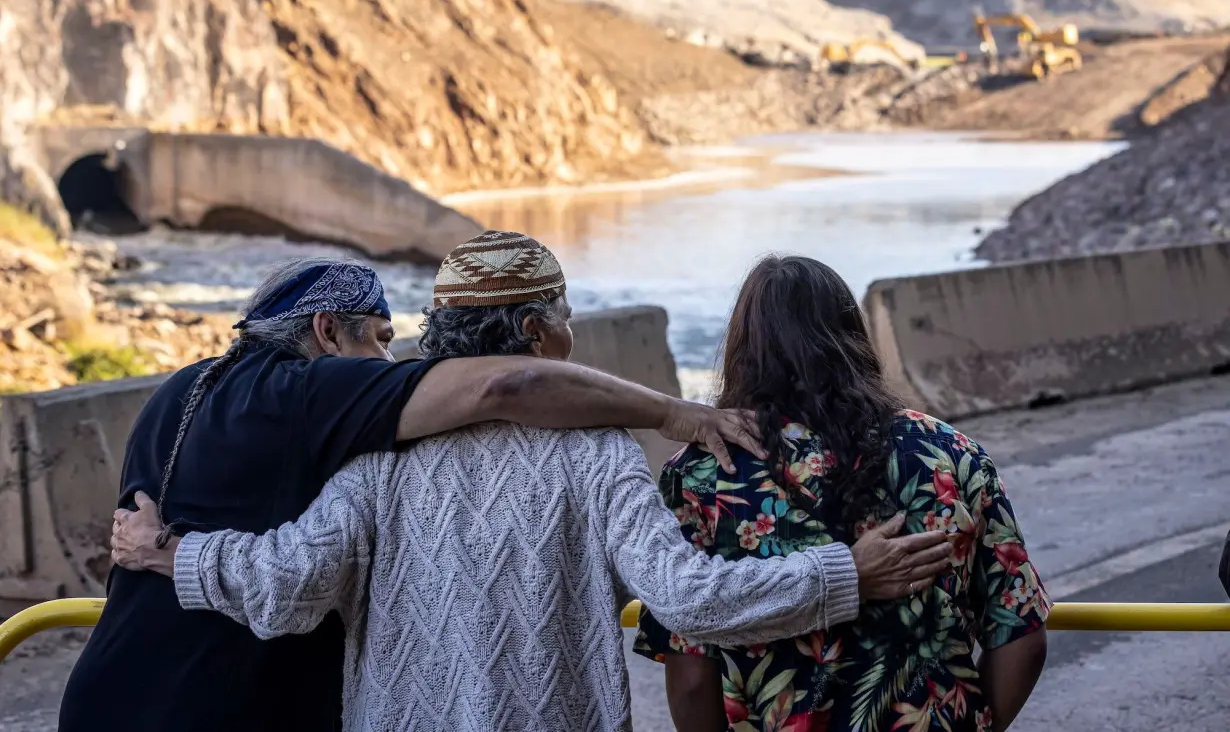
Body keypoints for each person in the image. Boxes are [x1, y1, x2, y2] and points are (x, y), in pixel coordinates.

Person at [109, 232, 953, 732]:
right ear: (529, 330)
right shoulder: (594, 453)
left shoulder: (373, 459)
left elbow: (287, 583)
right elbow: (690, 598)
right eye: (565, 317)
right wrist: (848, 572)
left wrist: (170, 554)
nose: (573, 335)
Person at [635, 255, 1050, 732]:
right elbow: (1022, 635)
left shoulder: (701, 476)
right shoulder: (950, 453)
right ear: (852, 336)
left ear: (744, 349)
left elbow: (691, 677)